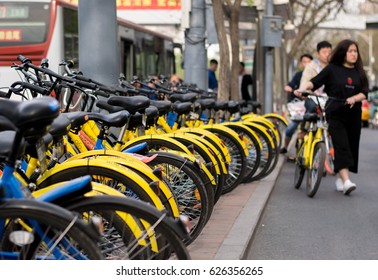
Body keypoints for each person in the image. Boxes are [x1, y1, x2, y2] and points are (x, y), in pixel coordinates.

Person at [295, 39, 369, 195]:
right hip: (335, 113)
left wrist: (355, 98)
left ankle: (341, 178)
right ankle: (347, 181)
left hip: (354, 114)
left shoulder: (359, 71)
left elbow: (364, 92)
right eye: (350, 51)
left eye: (355, 51)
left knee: (351, 147)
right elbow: (313, 83)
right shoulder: (332, 69)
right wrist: (302, 89)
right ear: (343, 53)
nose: (354, 54)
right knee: (341, 145)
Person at [280, 54, 313, 154]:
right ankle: (285, 147)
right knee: (291, 128)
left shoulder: (316, 75)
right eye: (304, 62)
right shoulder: (298, 75)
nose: (306, 64)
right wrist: (289, 88)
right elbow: (289, 86)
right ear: (301, 63)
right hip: (299, 108)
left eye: (309, 62)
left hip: (313, 108)